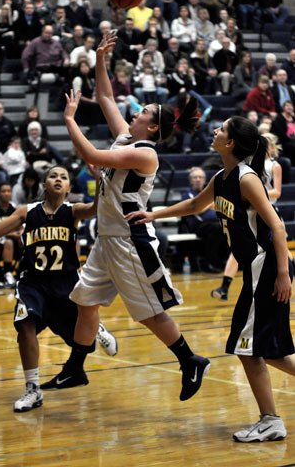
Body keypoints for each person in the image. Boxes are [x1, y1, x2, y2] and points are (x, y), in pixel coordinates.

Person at [41, 31, 210, 402]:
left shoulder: (145, 154)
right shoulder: (126, 138)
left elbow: (94, 157)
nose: (135, 112)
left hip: (129, 240)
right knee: (84, 301)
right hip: (107, 238)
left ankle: (190, 360)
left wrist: (70, 120)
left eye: (144, 113)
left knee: (148, 313)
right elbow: (104, 96)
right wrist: (100, 58)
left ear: (151, 127)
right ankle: (75, 370)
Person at [126, 115, 294, 442]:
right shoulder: (222, 177)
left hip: (267, 268)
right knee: (268, 352)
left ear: (230, 143)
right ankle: (270, 419)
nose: (214, 131)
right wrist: (153, 213)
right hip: (257, 269)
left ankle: (270, 420)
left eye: (221, 129)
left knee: (249, 349)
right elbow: (193, 204)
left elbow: (277, 226)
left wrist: (284, 273)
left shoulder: (247, 179)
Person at [0, 165, 117, 412]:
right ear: (44, 184)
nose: (58, 179)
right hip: (33, 284)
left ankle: (96, 327)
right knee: (24, 326)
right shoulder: (27, 211)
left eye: (63, 177)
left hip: (65, 285)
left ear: (69, 187)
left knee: (81, 342)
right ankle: (33, 389)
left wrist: (99, 180)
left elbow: (95, 208)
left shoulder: (73, 211)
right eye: (53, 176)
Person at [211, 131, 283, 301]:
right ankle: (225, 287)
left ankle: (283, 275)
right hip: (249, 210)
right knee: (238, 248)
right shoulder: (245, 166)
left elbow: (277, 192)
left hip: (268, 210)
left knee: (280, 248)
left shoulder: (274, 165)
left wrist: (257, 194)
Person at [0, 182, 21, 288]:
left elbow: (21, 227)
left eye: (8, 191)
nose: (6, 193)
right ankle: (7, 273)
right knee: (8, 242)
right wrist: (11, 234)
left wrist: (21, 233)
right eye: (3, 191)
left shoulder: (14, 207)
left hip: (14, 239)